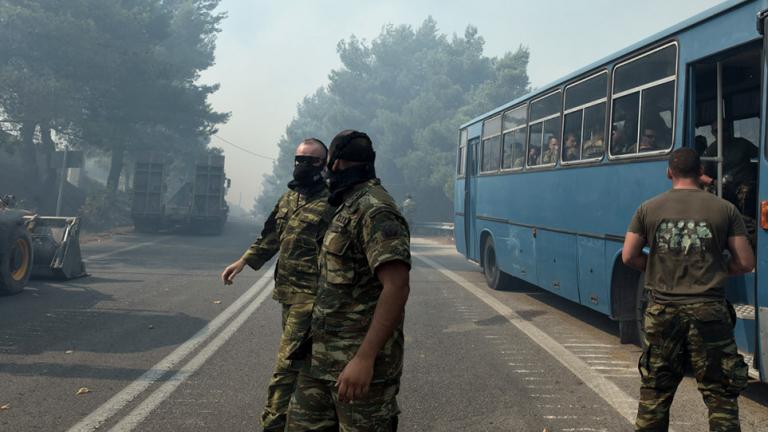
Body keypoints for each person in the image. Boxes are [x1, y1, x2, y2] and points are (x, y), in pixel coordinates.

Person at [286, 129, 411, 432]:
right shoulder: (345, 204)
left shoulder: (375, 210)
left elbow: (396, 287)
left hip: (357, 369)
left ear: (336, 163)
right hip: (319, 361)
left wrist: (364, 359)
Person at [622, 148, 754, 432]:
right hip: (710, 312)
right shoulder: (725, 209)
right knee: (721, 395)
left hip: (662, 312)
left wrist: (658, 266)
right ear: (701, 173)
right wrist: (718, 268)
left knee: (656, 393)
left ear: (669, 172)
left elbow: (629, 256)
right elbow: (745, 262)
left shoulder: (648, 208)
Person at [220, 138, 335, 431]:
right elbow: (270, 236)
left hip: (313, 298)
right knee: (305, 364)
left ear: (325, 164)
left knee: (285, 367)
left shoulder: (334, 200)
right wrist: (243, 261)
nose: (303, 165)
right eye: (299, 159)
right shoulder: (289, 198)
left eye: (312, 160)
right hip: (288, 295)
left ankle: (273, 424)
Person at [700, 120, 759, 217]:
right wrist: (713, 182)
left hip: (745, 187)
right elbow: (699, 174)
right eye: (717, 131)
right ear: (713, 133)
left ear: (730, 130)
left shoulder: (742, 144)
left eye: (724, 130)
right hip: (724, 188)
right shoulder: (711, 150)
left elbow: (761, 155)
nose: (721, 133)